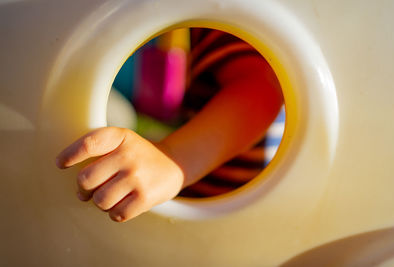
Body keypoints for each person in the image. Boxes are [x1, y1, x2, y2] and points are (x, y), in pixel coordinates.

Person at [55, 28, 283, 222]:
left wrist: (172, 158)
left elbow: (262, 91)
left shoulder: (223, 14)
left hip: (236, 212)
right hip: (209, 204)